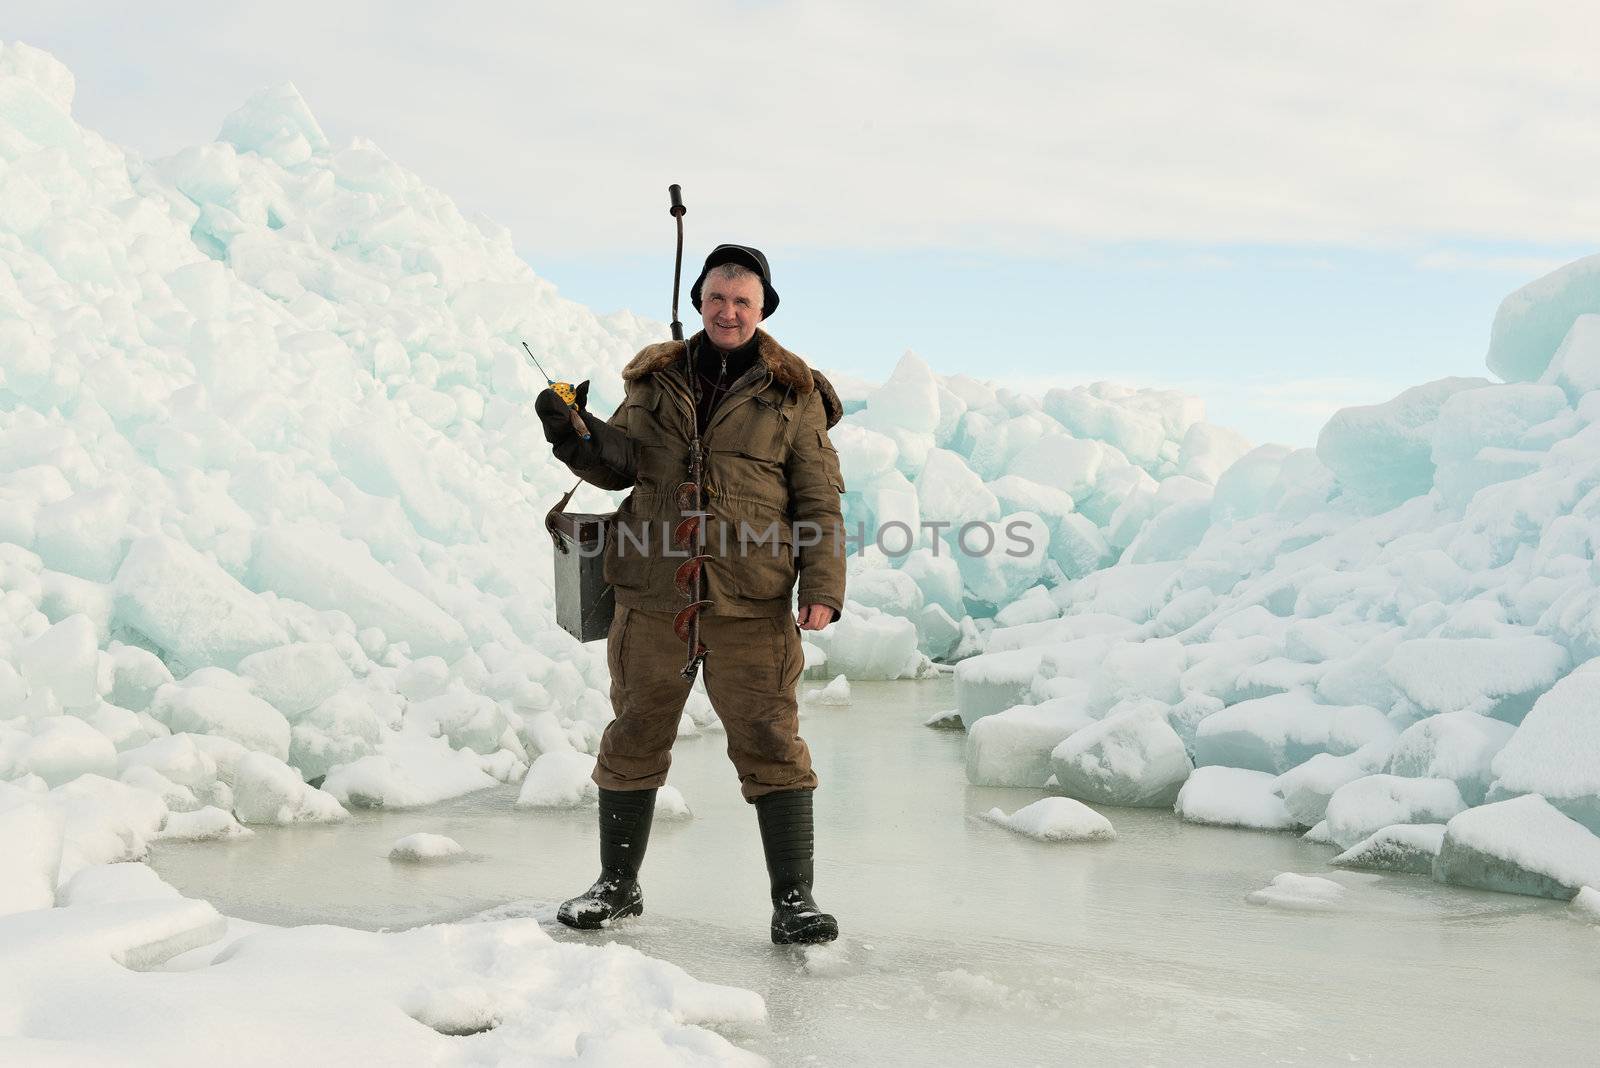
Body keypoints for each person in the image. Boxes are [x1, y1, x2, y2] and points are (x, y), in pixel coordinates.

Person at [535, 244, 846, 945]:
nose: (728, 311)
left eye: (743, 300)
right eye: (716, 298)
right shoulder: (654, 381)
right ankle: (617, 886)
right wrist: (570, 429)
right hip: (653, 594)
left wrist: (823, 585)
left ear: (764, 307)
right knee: (635, 731)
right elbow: (620, 468)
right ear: (699, 303)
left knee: (771, 741)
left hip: (751, 599)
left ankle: (793, 900)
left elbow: (818, 501)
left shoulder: (794, 394)